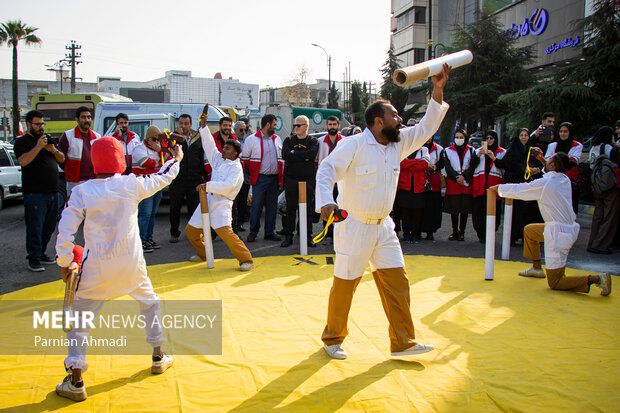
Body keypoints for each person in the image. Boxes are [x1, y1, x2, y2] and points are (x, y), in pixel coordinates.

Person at [316, 63, 450, 360]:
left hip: (384, 228)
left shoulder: (396, 144)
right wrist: (326, 202)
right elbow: (326, 171)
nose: (400, 120)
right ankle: (332, 338)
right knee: (345, 285)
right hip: (354, 227)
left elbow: (427, 127)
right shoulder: (353, 145)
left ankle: (402, 342)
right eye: (394, 115)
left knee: (398, 283)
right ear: (378, 121)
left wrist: (438, 89)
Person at [54, 136, 180, 402]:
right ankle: (158, 355)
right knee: (150, 304)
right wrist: (176, 158)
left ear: (94, 161)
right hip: (131, 264)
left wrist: (66, 262)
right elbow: (164, 176)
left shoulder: (82, 191)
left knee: (79, 322)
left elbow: (64, 232)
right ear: (120, 159)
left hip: (96, 269)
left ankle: (76, 380)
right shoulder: (131, 184)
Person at [490, 152, 611, 296]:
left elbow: (521, 190)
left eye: (549, 161)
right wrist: (541, 158)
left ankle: (598, 279)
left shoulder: (546, 184)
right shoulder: (563, 178)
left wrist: (499, 188)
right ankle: (536, 268)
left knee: (555, 282)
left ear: (553, 165)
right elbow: (550, 169)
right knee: (530, 231)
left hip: (558, 234)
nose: (545, 162)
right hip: (562, 228)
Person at [184, 119, 254, 271]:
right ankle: (204, 254)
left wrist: (207, 185)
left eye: (227, 149)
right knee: (191, 231)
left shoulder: (236, 168)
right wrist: (204, 127)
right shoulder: (218, 159)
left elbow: (228, 186)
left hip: (222, 203)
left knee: (226, 233)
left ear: (235, 153)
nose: (223, 150)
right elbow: (209, 146)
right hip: (207, 199)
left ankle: (246, 259)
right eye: (224, 147)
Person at [13, 110, 65, 272]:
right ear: (29, 124)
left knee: (49, 226)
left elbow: (62, 158)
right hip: (34, 193)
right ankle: (33, 257)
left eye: (42, 124)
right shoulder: (23, 142)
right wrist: (38, 147)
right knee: (35, 226)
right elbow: (23, 161)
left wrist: (53, 150)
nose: (41, 127)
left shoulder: (47, 140)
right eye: (37, 124)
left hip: (53, 191)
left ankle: (41, 252)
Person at [494, 128, 543, 245]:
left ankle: (526, 236)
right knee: (514, 212)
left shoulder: (533, 150)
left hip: (528, 186)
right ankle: (512, 237)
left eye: (526, 135)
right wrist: (522, 168)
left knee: (528, 211)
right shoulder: (512, 150)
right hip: (515, 184)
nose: (524, 137)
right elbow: (507, 164)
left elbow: (541, 163)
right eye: (521, 135)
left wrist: (536, 169)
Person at [241, 114, 284, 242]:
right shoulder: (251, 139)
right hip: (260, 179)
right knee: (256, 206)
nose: (275, 127)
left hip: (274, 178)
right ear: (267, 125)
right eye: (274, 125)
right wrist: (255, 173)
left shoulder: (277, 139)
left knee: (272, 206)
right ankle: (253, 232)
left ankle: (269, 232)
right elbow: (245, 159)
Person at [280, 115, 319, 248]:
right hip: (291, 179)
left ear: (306, 126)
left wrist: (294, 153)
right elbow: (285, 155)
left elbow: (311, 154)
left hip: (307, 180)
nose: (295, 128)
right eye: (294, 125)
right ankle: (288, 236)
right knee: (290, 209)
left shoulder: (313, 141)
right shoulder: (288, 140)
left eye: (298, 125)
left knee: (307, 209)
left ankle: (307, 236)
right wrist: (302, 156)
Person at [132, 126, 170, 252]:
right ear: (148, 139)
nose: (157, 142)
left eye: (158, 139)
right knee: (145, 214)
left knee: (152, 214)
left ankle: (149, 238)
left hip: (155, 185)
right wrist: (160, 157)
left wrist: (160, 151)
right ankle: (141, 240)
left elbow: (169, 162)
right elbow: (148, 163)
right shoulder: (139, 149)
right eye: (154, 139)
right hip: (143, 185)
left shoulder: (158, 149)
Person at [169, 114, 206, 243]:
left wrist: (203, 174)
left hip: (194, 178)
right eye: (181, 123)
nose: (183, 126)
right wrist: (175, 136)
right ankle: (174, 232)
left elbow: (201, 156)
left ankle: (192, 233)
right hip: (178, 178)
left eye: (186, 123)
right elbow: (169, 151)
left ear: (190, 125)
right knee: (175, 207)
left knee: (194, 207)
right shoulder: (174, 137)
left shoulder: (197, 138)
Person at [536, 122, 582, 214]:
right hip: (553, 182)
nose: (563, 134)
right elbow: (548, 162)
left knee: (569, 210)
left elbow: (573, 162)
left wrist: (555, 161)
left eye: (565, 131)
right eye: (561, 131)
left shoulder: (577, 145)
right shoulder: (553, 145)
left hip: (569, 182)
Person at [587, 126, 620, 254]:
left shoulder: (592, 148)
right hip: (609, 186)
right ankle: (601, 245)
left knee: (597, 216)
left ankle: (592, 242)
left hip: (596, 185)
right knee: (609, 216)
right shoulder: (608, 148)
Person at [442, 129, 478, 241]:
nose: (459, 139)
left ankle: (462, 232)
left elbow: (473, 166)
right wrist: (457, 178)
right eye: (456, 137)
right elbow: (448, 167)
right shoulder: (448, 150)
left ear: (465, 138)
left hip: (466, 183)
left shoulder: (472, 151)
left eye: (461, 137)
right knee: (454, 209)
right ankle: (454, 231)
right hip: (454, 182)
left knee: (464, 209)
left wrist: (464, 177)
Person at [471, 130, 506, 243]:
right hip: (480, 188)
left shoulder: (501, 152)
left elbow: (504, 166)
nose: (489, 140)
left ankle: (490, 234)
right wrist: (478, 155)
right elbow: (471, 166)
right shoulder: (477, 151)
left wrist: (494, 158)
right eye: (487, 138)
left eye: (491, 138)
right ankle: (480, 234)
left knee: (493, 213)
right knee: (478, 213)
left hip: (493, 187)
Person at [58, 106, 101, 196]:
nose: (87, 120)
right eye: (83, 117)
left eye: (89, 117)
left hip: (93, 181)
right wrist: (69, 171)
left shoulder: (97, 136)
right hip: (75, 182)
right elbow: (61, 159)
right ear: (77, 119)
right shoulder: (68, 135)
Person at [316, 116, 343, 245]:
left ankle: (340, 235)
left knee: (341, 206)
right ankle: (327, 234)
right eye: (330, 124)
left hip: (341, 180)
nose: (332, 127)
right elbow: (316, 161)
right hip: (326, 180)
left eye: (334, 124)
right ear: (326, 126)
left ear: (338, 126)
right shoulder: (320, 142)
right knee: (326, 206)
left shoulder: (345, 141)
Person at [397, 146, 430, 243]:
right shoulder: (403, 149)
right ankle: (406, 234)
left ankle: (415, 234)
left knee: (417, 213)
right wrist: (417, 161)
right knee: (405, 213)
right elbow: (402, 163)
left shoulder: (424, 150)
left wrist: (409, 165)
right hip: (404, 186)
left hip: (418, 187)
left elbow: (424, 164)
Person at [421, 137, 444, 240]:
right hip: (421, 182)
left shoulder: (439, 149)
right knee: (421, 208)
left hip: (434, 183)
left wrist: (434, 166)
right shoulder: (418, 147)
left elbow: (442, 162)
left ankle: (430, 232)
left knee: (433, 209)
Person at [233, 120, 250, 231]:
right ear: (235, 130)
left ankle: (239, 223)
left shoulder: (248, 142)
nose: (243, 132)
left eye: (245, 129)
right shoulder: (232, 142)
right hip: (234, 176)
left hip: (245, 175)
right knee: (234, 201)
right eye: (241, 130)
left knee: (243, 201)